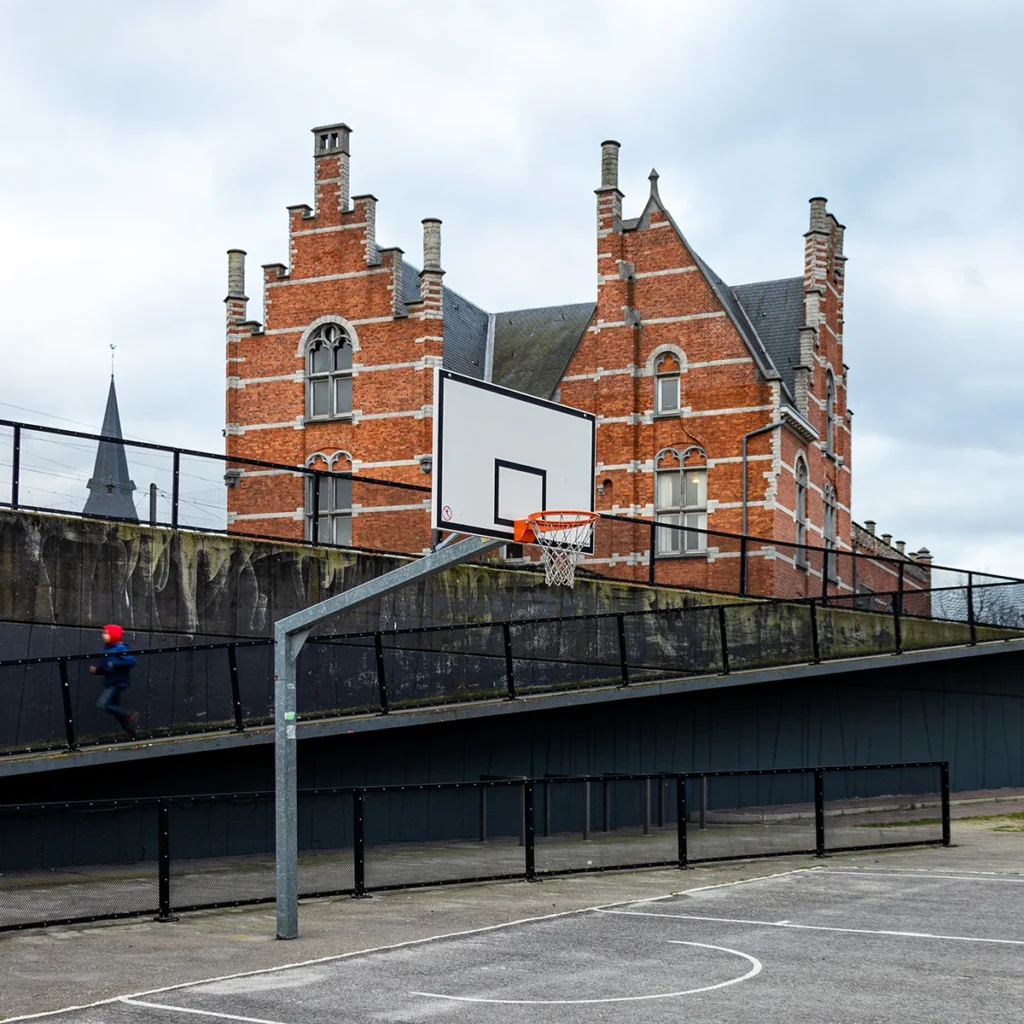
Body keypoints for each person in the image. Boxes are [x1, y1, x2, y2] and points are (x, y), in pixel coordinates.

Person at [89, 623, 138, 738]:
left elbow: (131, 662)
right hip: (111, 682)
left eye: (105, 633)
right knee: (116, 710)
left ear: (113, 635)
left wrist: (115, 664)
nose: (103, 636)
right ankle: (131, 733)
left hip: (116, 683)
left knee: (103, 704)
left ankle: (128, 715)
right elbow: (108, 668)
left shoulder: (121, 648)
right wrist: (98, 671)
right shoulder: (108, 648)